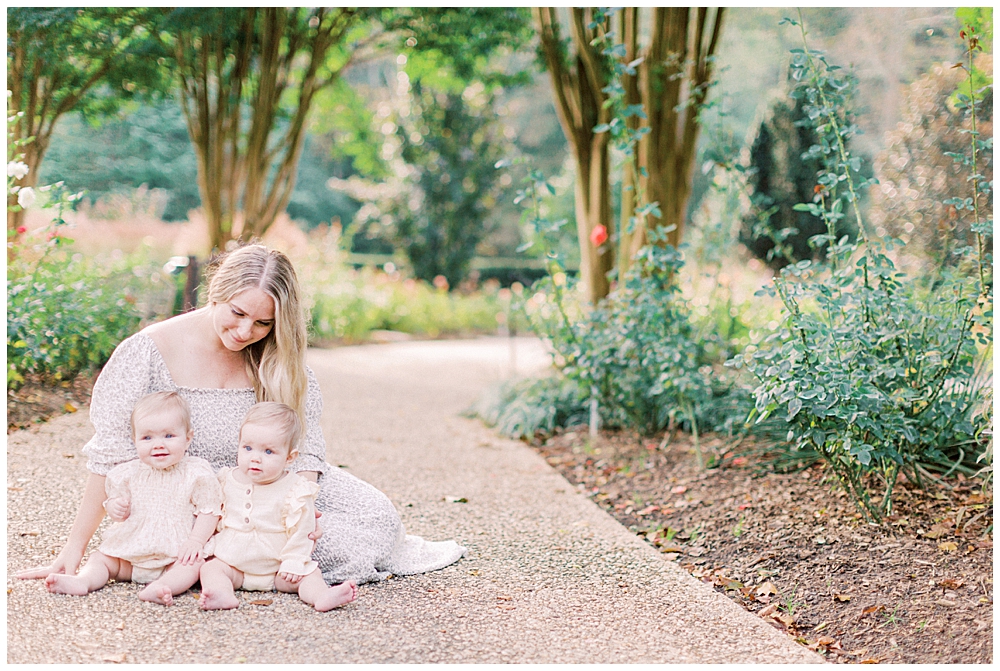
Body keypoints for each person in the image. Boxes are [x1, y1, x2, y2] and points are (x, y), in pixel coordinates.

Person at [18, 243, 465, 587]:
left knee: (376, 521)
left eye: (263, 323)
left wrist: (303, 512)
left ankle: (245, 561)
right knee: (288, 548)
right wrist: (73, 549)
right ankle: (229, 564)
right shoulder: (148, 351)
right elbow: (109, 455)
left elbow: (306, 451)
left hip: (273, 485)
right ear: (217, 291)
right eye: (237, 313)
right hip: (192, 497)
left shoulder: (278, 359)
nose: (244, 331)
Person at [44, 391, 221, 606]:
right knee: (101, 558)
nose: (158, 444)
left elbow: (209, 509)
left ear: (188, 438)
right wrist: (114, 507)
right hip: (131, 553)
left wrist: (196, 541)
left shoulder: (195, 473)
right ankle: (84, 581)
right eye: (147, 438)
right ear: (134, 440)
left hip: (175, 554)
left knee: (194, 565)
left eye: (169, 436)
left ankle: (163, 586)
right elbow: (117, 506)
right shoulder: (127, 474)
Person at [199, 402, 357, 611]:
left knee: (309, 574)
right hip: (233, 562)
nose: (255, 457)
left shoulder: (295, 489)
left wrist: (293, 561)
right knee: (210, 569)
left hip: (278, 567)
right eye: (247, 448)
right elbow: (214, 514)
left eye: (268, 451)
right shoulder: (227, 479)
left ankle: (321, 596)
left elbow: (303, 531)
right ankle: (222, 594)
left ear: (289, 457)